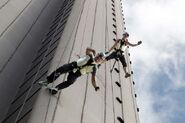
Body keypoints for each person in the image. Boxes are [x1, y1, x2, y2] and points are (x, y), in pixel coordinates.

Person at [38, 48, 104, 94]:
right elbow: (87, 49)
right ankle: (47, 81)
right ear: (97, 55)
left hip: (77, 74)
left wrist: (95, 86)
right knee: (60, 70)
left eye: (100, 59)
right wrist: (92, 50)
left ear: (101, 61)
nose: (98, 58)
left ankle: (56, 88)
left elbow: (93, 80)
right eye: (99, 56)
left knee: (70, 81)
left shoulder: (94, 68)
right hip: (73, 65)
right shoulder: (90, 55)